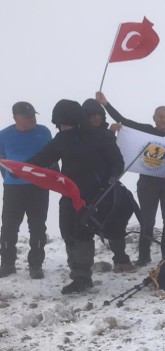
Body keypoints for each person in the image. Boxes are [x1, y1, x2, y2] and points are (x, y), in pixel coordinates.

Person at [27, 99, 124, 294]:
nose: (63, 128)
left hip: (94, 196)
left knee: (83, 234)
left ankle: (82, 277)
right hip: (69, 194)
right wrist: (22, 167)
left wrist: (111, 180)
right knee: (67, 232)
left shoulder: (100, 137)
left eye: (66, 124)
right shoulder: (61, 139)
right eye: (60, 125)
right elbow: (43, 158)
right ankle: (77, 271)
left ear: (77, 121)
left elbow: (118, 163)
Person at [95, 92, 165, 266]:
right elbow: (123, 120)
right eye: (160, 116)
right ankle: (144, 256)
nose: (163, 120)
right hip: (148, 183)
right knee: (147, 219)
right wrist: (105, 104)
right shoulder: (145, 131)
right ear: (154, 118)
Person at [81, 98, 137, 273]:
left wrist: (113, 177)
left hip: (107, 188)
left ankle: (121, 259)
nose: (97, 118)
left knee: (115, 221)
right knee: (82, 225)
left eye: (99, 114)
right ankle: (81, 267)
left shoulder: (106, 135)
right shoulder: (77, 136)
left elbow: (117, 162)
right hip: (83, 189)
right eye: (92, 115)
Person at [0, 102, 52, 279]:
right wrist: (8, 177)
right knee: (8, 226)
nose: (32, 119)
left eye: (33, 115)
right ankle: (7, 263)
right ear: (16, 118)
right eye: (28, 116)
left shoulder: (44, 132)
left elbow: (52, 157)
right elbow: (2, 162)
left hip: (38, 187)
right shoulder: (4, 135)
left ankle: (36, 264)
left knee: (37, 226)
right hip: (13, 189)